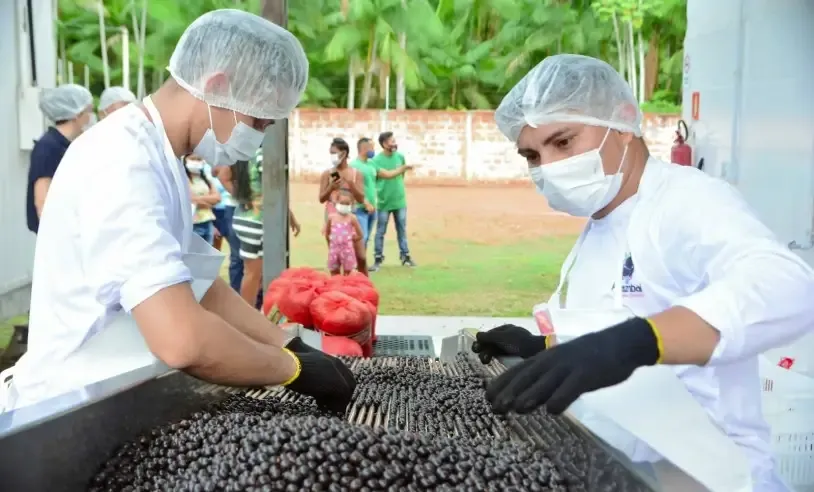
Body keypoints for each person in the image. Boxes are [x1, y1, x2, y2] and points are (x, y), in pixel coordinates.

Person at [472, 54, 814, 490]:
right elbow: (618, 328)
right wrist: (545, 346)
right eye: (532, 155)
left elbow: (785, 285)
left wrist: (638, 342)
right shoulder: (604, 220)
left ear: (623, 122)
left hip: (710, 477)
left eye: (563, 142)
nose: (548, 167)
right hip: (630, 471)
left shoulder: (685, 200)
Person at [1, 10, 355, 415]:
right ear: (217, 86)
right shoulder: (122, 160)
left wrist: (287, 343)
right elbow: (181, 339)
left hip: (114, 398)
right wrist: (290, 369)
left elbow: (200, 286)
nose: (256, 139)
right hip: (68, 408)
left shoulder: (158, 155)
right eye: (257, 121)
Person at [226, 148, 301, 306]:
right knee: (252, 274)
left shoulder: (244, 154)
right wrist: (290, 216)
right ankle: (246, 317)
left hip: (244, 217)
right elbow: (274, 192)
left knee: (255, 274)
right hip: (256, 221)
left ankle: (251, 313)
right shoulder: (261, 155)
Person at [26, 84, 95, 234]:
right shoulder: (48, 147)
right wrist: (57, 238)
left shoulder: (68, 146)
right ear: (76, 114)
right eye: (89, 111)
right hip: (58, 237)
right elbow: (42, 201)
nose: (91, 116)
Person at [319, 137, 368, 274]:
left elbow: (361, 198)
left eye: (334, 152)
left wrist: (351, 185)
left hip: (350, 216)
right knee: (335, 260)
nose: (332, 156)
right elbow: (321, 198)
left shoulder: (355, 174)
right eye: (330, 153)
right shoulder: (328, 174)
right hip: (333, 218)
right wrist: (330, 187)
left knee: (361, 257)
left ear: (344, 153)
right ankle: (338, 290)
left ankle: (364, 287)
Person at [370, 131, 416, 271]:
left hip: (399, 201)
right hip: (384, 202)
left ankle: (405, 256)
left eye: (394, 140)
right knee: (380, 231)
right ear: (384, 144)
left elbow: (400, 177)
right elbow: (385, 176)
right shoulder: (376, 161)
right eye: (391, 141)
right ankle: (378, 258)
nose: (394, 144)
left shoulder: (400, 157)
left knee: (401, 230)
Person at [325, 190, 363, 276]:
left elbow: (360, 235)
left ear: (351, 204)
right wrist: (330, 245)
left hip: (347, 250)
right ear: (336, 202)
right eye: (342, 203)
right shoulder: (331, 217)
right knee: (334, 272)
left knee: (348, 273)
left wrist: (351, 240)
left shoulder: (352, 218)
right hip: (334, 250)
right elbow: (327, 234)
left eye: (347, 204)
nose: (344, 206)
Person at [184, 154, 220, 244]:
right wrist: (209, 201)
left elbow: (217, 198)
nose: (196, 162)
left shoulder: (205, 178)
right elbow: (187, 200)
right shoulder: (182, 178)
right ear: (185, 160)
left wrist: (197, 199)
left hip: (208, 222)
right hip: (192, 224)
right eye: (193, 159)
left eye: (199, 159)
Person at [350, 137, 378, 248]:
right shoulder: (354, 166)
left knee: (366, 239)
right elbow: (352, 187)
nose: (374, 150)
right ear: (364, 148)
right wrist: (365, 202)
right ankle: (355, 262)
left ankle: (361, 263)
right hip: (360, 208)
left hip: (372, 208)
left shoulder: (371, 164)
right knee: (362, 237)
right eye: (372, 147)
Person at [209, 161, 236, 252]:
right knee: (214, 241)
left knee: (232, 243)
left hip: (228, 209)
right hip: (212, 210)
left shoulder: (229, 165)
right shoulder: (204, 168)